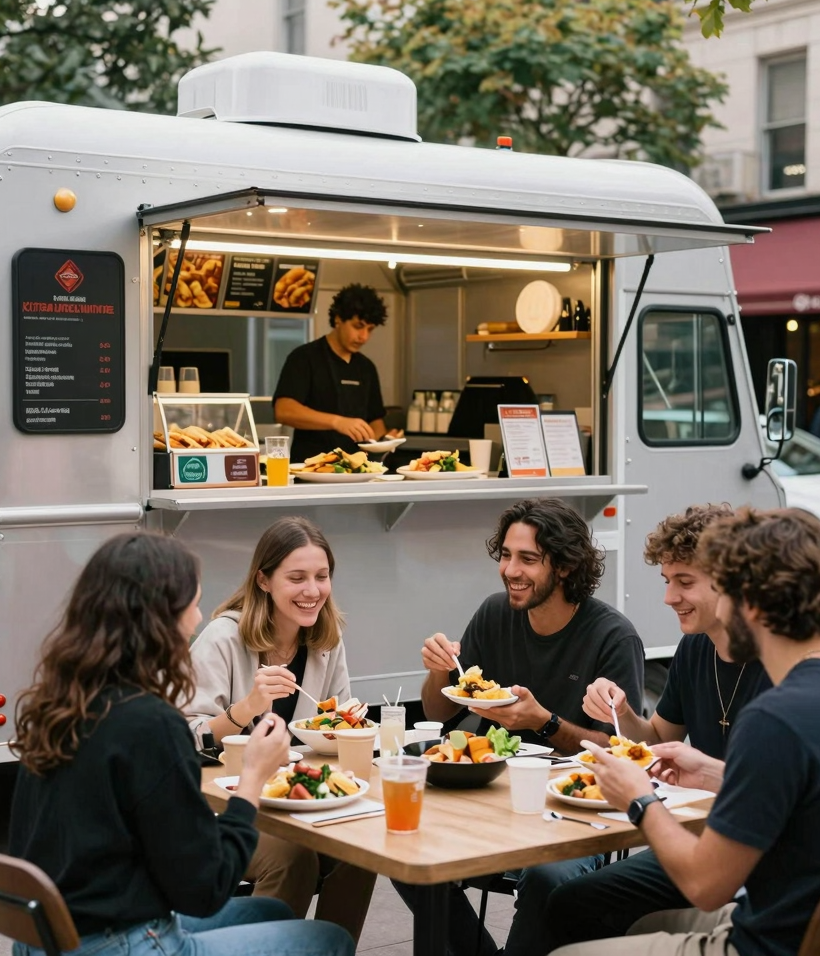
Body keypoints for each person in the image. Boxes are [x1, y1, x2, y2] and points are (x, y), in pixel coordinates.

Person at [7, 532, 353, 956]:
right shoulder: (150, 723)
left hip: (48, 935)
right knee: (330, 939)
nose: (197, 618)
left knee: (270, 912)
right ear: (159, 620)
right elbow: (204, 888)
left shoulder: (61, 702)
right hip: (119, 942)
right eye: (191, 605)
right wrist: (252, 779)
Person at [551, 506, 820, 956]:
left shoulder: (776, 717)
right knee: (593, 907)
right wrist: (718, 773)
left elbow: (705, 885)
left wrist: (640, 800)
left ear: (750, 601)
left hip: (766, 941)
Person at [394, 497, 645, 956]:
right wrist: (437, 671)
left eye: (528, 559)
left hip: (577, 808)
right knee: (402, 846)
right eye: (506, 555)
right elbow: (438, 712)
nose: (511, 570)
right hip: (493, 792)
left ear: (566, 566)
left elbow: (616, 751)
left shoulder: (612, 636)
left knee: (548, 874)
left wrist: (544, 722)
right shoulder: (495, 614)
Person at [527, 504, 771, 955]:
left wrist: (643, 797)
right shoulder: (695, 648)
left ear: (730, 581)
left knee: (575, 904)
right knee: (567, 901)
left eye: (684, 582)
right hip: (701, 838)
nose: (669, 598)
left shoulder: (777, 664)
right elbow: (654, 739)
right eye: (666, 581)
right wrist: (622, 709)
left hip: (742, 857)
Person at [187, 516, 376, 943]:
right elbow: (189, 736)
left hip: (298, 795)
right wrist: (247, 708)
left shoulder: (325, 639)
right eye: (297, 578)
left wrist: (344, 724)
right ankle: (269, 948)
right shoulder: (222, 638)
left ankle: (328, 950)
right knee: (294, 858)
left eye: (321, 576)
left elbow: (328, 732)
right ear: (264, 580)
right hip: (224, 804)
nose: (312, 591)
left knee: (361, 850)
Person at [273, 282, 398, 463]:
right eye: (358, 326)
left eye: (370, 329)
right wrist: (337, 422)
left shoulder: (366, 368)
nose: (364, 336)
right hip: (310, 470)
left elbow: (375, 421)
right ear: (338, 319)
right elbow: (284, 410)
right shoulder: (304, 357)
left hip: (356, 470)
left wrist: (383, 441)